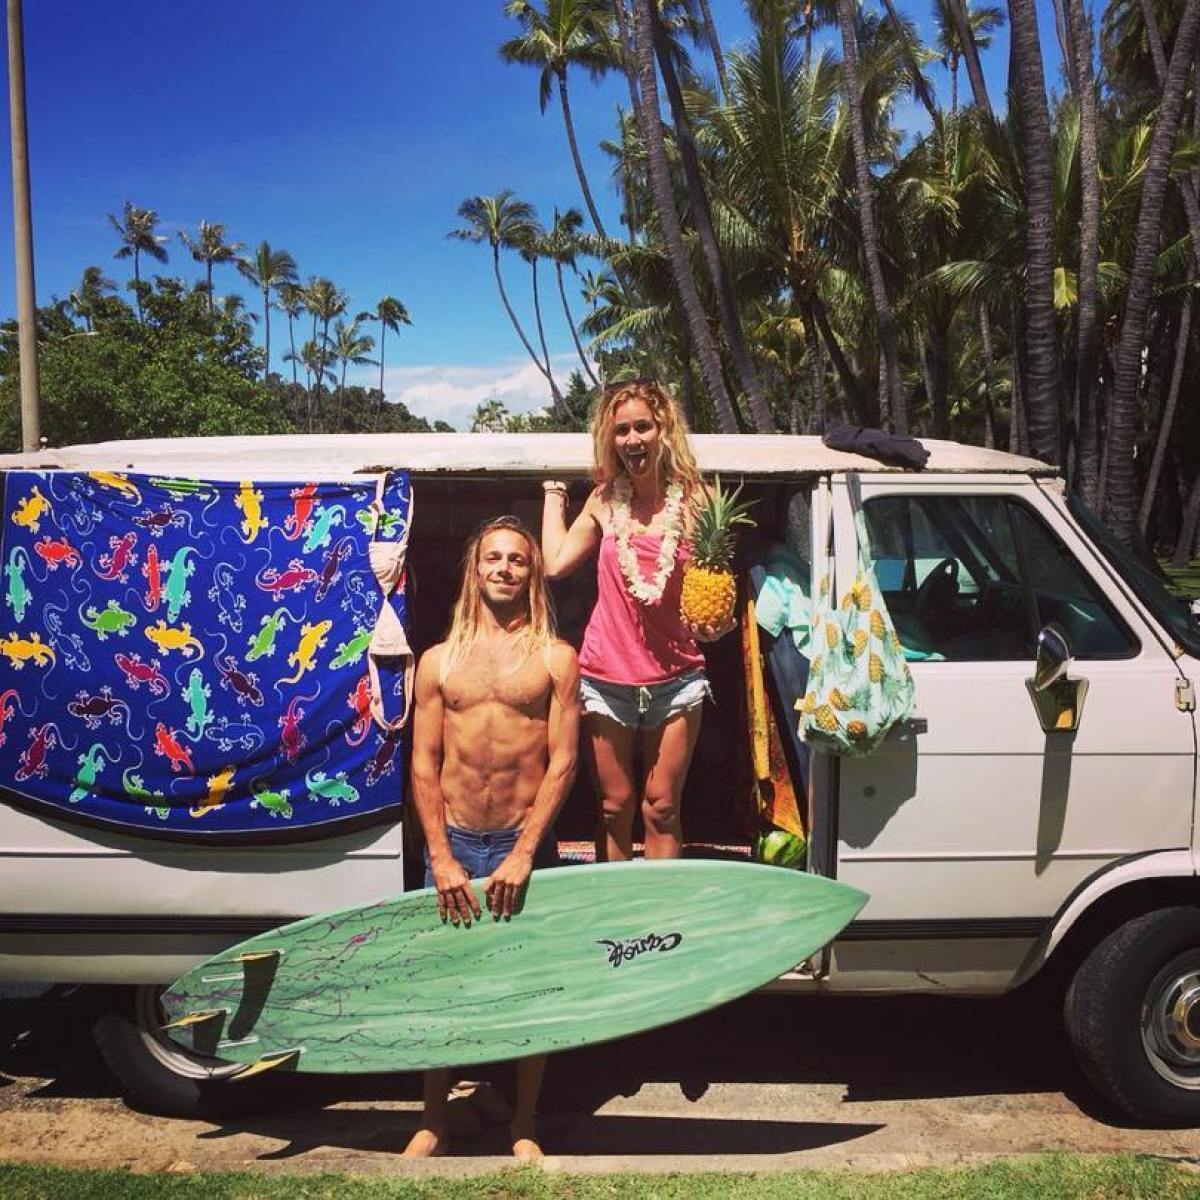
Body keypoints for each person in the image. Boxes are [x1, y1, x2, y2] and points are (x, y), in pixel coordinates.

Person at [404, 515, 580, 1161]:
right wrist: (441, 856)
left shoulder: (555, 659)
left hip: (520, 847)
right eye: (493, 558)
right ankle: (434, 1121)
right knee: (441, 986)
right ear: (474, 571)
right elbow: (423, 764)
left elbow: (564, 763)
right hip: (453, 845)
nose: (504, 568)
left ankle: (523, 1123)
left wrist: (526, 851)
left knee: (528, 987)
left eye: (517, 560)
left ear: (533, 575)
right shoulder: (438, 661)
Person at [541, 379, 732, 864]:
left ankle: (660, 907)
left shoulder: (697, 502)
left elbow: (714, 587)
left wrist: (716, 625)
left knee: (662, 806)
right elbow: (556, 564)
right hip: (606, 677)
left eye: (642, 427)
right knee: (614, 806)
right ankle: (617, 906)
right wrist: (553, 492)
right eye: (621, 430)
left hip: (677, 677)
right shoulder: (604, 500)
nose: (632, 440)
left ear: (663, 428)